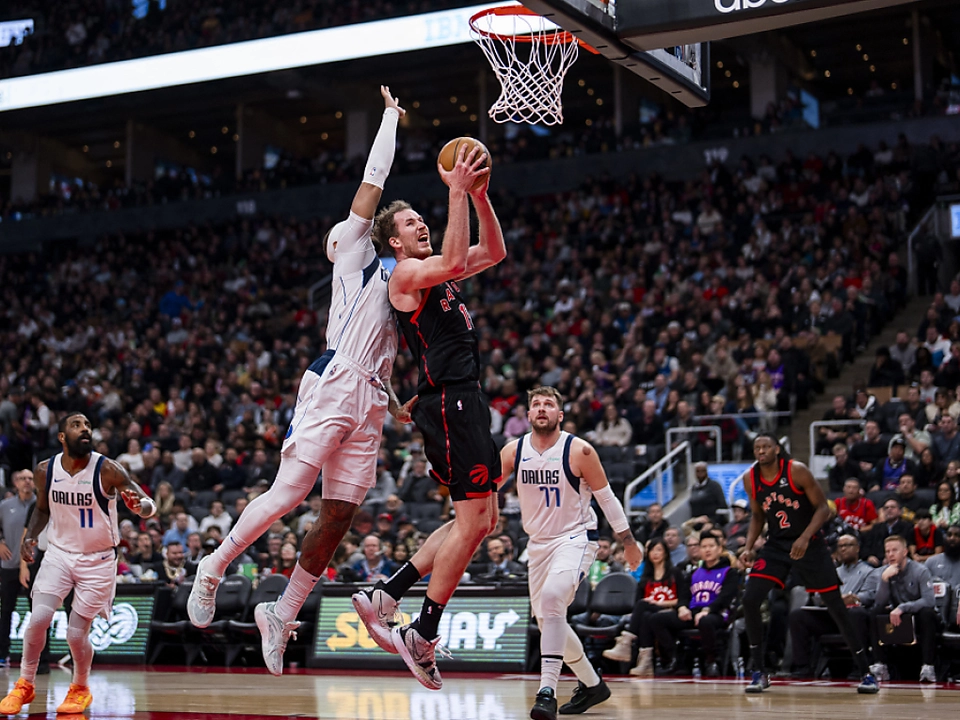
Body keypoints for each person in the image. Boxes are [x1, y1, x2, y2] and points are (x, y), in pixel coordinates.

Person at [187, 88, 414, 677]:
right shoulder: (353, 254)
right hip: (334, 378)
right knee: (289, 493)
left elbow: (381, 350)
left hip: (370, 396)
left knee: (338, 514)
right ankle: (212, 566)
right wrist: (389, 117)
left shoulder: (397, 279)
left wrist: (394, 400)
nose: (345, 228)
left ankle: (281, 612)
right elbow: (373, 178)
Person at [351, 133, 506, 692]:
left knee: (482, 521)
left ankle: (387, 594)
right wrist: (456, 192)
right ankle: (422, 630)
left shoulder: (437, 270)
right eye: (412, 223)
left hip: (463, 398)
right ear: (394, 243)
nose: (421, 225)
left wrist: (480, 196)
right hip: (451, 405)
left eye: (423, 218)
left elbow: (492, 254)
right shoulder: (406, 278)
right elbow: (461, 256)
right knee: (472, 523)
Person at [500, 386, 642, 720]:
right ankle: (593, 685)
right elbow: (487, 488)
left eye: (548, 404)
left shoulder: (579, 450)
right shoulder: (513, 451)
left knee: (552, 602)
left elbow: (607, 498)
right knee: (549, 620)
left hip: (575, 538)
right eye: (535, 404)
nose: (541, 408)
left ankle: (546, 692)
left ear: (560, 415)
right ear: (528, 414)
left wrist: (628, 540)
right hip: (537, 545)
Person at [0, 413, 155, 715]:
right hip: (59, 554)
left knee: (74, 633)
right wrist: (30, 538)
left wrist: (143, 508)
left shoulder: (107, 469)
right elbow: (42, 509)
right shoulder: (46, 470)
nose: (85, 429)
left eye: (87, 425)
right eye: (76, 425)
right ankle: (25, 683)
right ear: (62, 436)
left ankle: (80, 687)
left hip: (97, 560)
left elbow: (147, 503)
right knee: (37, 620)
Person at [739, 434, 878, 694]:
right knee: (750, 599)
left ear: (777, 449)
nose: (761, 451)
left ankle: (866, 672)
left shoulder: (796, 470)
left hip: (810, 544)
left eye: (766, 446)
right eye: (757, 447)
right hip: (776, 545)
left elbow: (823, 509)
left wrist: (804, 537)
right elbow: (758, 515)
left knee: (835, 605)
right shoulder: (750, 478)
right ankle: (759, 672)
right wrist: (748, 548)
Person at [645, 531, 738, 677]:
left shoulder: (729, 572)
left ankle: (711, 662)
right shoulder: (693, 573)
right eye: (704, 546)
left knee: (706, 622)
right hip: (693, 612)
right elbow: (684, 595)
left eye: (711, 546)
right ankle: (675, 660)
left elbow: (725, 598)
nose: (707, 550)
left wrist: (707, 610)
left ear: (720, 549)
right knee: (657, 619)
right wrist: (682, 608)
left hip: (716, 613)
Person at [787, 534, 878, 677]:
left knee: (857, 613)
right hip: (830, 616)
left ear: (857, 548)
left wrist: (850, 599)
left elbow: (869, 596)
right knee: (798, 615)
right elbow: (818, 596)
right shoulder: (833, 571)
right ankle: (803, 667)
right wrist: (838, 599)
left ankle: (858, 666)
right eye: (840, 546)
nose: (843, 549)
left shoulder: (870, 571)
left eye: (847, 545)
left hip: (852, 617)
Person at [603, 537, 679, 676]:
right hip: (652, 613)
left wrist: (662, 603)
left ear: (666, 553)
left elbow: (684, 600)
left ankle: (626, 642)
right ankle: (645, 663)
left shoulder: (675, 573)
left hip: (671, 611)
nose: (655, 553)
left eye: (659, 550)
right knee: (645, 615)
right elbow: (638, 602)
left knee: (644, 606)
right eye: (652, 550)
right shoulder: (646, 577)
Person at [869, 535, 938, 683]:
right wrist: (884, 580)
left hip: (918, 616)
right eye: (887, 551)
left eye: (894, 550)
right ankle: (880, 665)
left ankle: (927, 666)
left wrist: (903, 607)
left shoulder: (921, 570)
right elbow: (879, 603)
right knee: (875, 612)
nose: (890, 554)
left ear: (905, 552)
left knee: (928, 614)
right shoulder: (886, 571)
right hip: (898, 618)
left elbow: (929, 601)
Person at [0, 470, 36, 668]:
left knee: (37, 614)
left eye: (30, 479)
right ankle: (2, 654)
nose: (27, 482)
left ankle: (34, 657)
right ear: (15, 483)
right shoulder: (5, 506)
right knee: (6, 611)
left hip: (34, 567)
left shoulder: (42, 505)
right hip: (9, 565)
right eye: (23, 479)